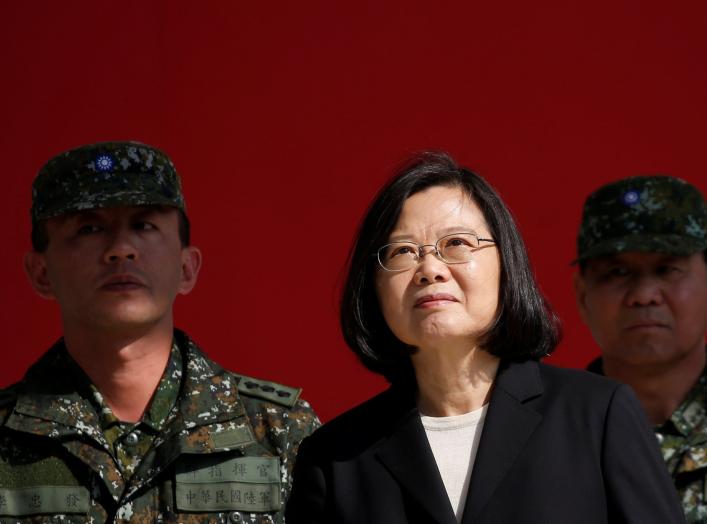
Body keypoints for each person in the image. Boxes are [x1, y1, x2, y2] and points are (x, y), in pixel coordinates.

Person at [286, 152, 685, 524]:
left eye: (456, 244)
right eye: (403, 251)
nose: (430, 269)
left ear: (505, 265)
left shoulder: (598, 415)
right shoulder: (334, 458)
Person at [0, 142, 319, 523]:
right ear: (41, 272)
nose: (120, 249)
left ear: (187, 266)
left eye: (144, 225)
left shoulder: (277, 431)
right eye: (89, 228)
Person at [573, 175, 707, 523]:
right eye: (617, 272)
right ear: (582, 293)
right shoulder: (549, 435)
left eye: (668, 269)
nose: (644, 294)